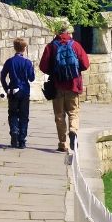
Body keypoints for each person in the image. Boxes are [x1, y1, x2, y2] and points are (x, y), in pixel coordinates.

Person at [39, 21, 90, 152]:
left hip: (57, 86)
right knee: (73, 112)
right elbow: (85, 64)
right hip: (73, 85)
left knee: (59, 115)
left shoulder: (51, 46)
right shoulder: (75, 45)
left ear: (56, 32)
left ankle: (63, 144)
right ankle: (73, 130)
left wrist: (54, 71)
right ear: (68, 32)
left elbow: (43, 67)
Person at [0, 38, 35, 149]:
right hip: (24, 91)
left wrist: (6, 89)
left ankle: (14, 131)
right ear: (24, 49)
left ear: (15, 48)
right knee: (24, 116)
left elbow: (2, 77)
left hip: (13, 91)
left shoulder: (9, 61)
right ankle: (22, 140)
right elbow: (32, 78)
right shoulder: (27, 62)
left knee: (13, 113)